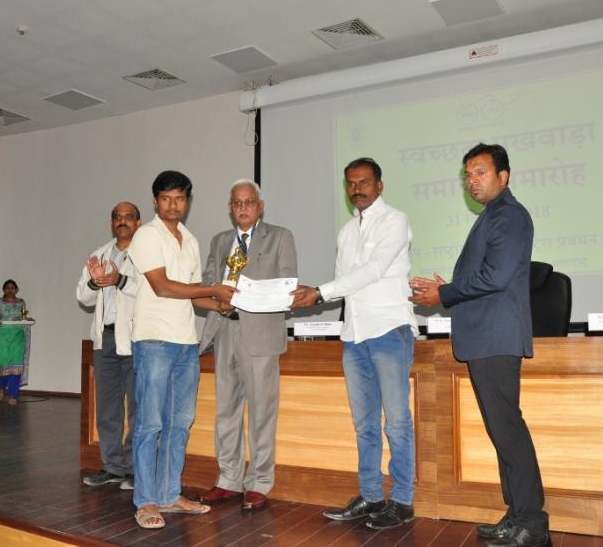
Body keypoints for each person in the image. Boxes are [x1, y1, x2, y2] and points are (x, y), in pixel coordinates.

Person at [409, 143, 549, 547]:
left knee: (508, 431)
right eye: (468, 175)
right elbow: (488, 276)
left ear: (503, 176)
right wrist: (449, 288)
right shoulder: (493, 215)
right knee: (502, 431)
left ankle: (533, 523)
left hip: (496, 337)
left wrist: (444, 293)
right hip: (487, 336)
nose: (472, 181)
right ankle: (517, 515)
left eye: (481, 172)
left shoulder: (510, 215)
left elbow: (496, 277)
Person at [290, 157, 418, 531]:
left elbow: (374, 271)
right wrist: (318, 292)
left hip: (388, 330)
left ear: (379, 185)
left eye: (364, 182)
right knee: (364, 424)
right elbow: (345, 283)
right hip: (355, 335)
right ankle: (372, 495)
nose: (356, 189)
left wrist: (319, 292)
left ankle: (403, 502)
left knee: (397, 423)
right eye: (351, 183)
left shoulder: (395, 220)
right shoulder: (346, 232)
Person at [126, 170, 237, 529]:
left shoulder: (189, 239)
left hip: (187, 343)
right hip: (154, 341)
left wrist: (221, 304)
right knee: (150, 424)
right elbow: (162, 287)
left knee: (180, 423)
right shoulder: (146, 235)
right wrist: (213, 290)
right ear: (155, 201)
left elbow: (191, 295)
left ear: (188, 201)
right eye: (166, 198)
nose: (173, 205)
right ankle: (146, 501)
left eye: (179, 198)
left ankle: (169, 494)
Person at [197, 179, 298, 510]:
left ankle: (259, 482)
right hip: (224, 329)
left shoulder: (280, 237)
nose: (243, 208)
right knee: (226, 410)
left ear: (261, 206)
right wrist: (218, 294)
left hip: (261, 333)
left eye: (249, 202)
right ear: (230, 208)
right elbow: (207, 282)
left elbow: (286, 287)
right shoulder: (220, 241)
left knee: (261, 413)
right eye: (237, 203)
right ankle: (228, 478)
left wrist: (247, 295)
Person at [76, 201, 142, 491]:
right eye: (117, 217)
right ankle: (113, 466)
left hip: (137, 339)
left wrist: (119, 280)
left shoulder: (146, 253)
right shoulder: (100, 254)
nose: (122, 221)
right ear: (112, 223)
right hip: (105, 339)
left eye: (129, 217)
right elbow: (83, 297)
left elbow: (151, 292)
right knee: (107, 408)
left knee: (137, 408)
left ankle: (134, 470)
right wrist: (94, 282)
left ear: (138, 223)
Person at [0, 279, 33, 406]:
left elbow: (23, 317)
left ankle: (13, 395)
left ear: (16, 290)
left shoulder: (21, 303)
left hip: (17, 336)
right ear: (4, 290)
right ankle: (1, 388)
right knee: (2, 364)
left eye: (12, 288)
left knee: (16, 365)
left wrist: (27, 319)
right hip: (2, 336)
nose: (10, 290)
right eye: (7, 288)